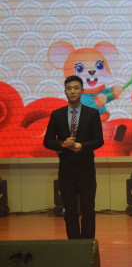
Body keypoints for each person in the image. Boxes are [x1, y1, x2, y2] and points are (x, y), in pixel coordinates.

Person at [43, 75, 104, 239]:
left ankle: (87, 246)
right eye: (69, 88)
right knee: (70, 211)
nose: (72, 91)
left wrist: (82, 146)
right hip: (66, 170)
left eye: (76, 88)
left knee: (88, 211)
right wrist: (62, 144)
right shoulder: (57, 114)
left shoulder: (92, 113)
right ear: (64, 91)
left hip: (86, 170)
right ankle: (73, 246)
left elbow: (99, 140)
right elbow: (47, 141)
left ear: (82, 91)